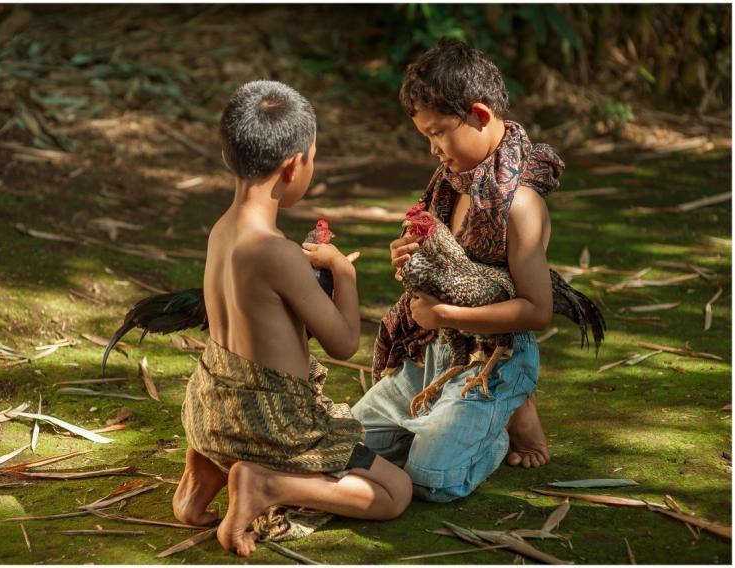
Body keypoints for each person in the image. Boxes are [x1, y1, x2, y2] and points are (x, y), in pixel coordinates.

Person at [171, 80, 412, 557]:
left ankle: (200, 479)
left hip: (208, 411)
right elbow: (342, 343)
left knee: (228, 394)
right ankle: (266, 486)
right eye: (313, 158)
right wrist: (343, 271)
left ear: (228, 156)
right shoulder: (276, 253)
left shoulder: (222, 231)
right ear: (294, 164)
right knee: (395, 493)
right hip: (272, 425)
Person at [352, 39, 563, 504]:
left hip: (495, 356)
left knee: (431, 480)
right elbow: (446, 266)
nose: (432, 149)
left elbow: (538, 310)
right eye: (425, 137)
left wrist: (447, 314)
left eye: (439, 133)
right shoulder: (453, 182)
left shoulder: (520, 204)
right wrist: (411, 261)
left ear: (480, 115)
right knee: (345, 443)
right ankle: (456, 421)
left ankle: (508, 415)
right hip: (436, 351)